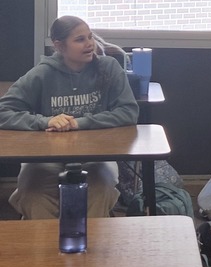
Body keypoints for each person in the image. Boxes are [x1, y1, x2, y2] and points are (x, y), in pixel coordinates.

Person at [0, 16, 139, 219]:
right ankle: (44, 248)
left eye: (90, 37)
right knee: (34, 195)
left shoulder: (109, 68)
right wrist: (44, 121)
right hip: (44, 158)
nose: (89, 43)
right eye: (80, 39)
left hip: (97, 155)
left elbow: (128, 112)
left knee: (100, 191)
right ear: (59, 46)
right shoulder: (42, 74)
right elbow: (4, 112)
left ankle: (92, 247)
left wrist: (78, 123)